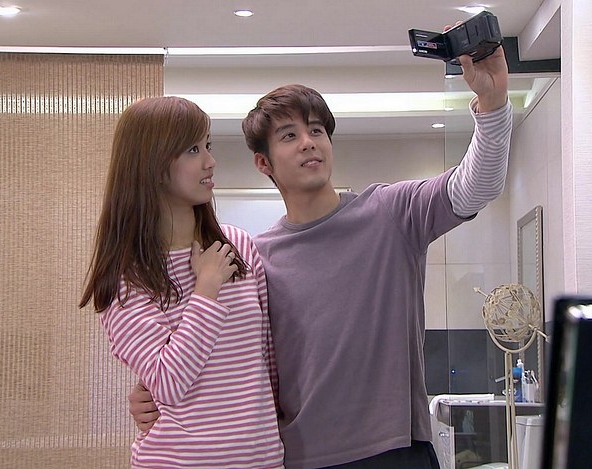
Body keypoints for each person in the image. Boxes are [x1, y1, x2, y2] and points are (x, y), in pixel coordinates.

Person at [130, 30, 512, 468]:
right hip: (300, 456)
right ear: (263, 163)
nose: (308, 141)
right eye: (289, 135)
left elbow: (477, 185)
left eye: (316, 130)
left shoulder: (391, 212)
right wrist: (150, 393)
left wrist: (493, 103)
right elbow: (227, 354)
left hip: (395, 450)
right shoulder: (254, 256)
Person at [79, 96, 284, 468]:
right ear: (153, 165)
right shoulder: (127, 279)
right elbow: (170, 384)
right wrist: (206, 290)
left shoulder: (238, 246)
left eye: (208, 146)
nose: (210, 161)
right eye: (193, 149)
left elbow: (268, 364)